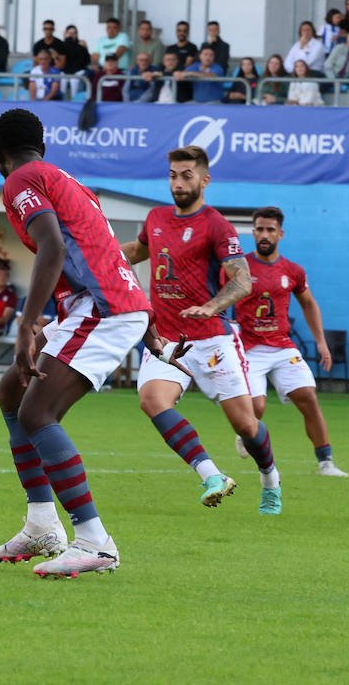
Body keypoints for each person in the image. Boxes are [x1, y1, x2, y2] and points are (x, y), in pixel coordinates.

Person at [0, 108, 177, 577]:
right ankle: (40, 525)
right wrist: (146, 318)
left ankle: (95, 540)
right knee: (11, 392)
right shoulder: (66, 180)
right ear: (43, 146)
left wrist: (27, 324)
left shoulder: (21, 178)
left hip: (101, 308)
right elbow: (105, 251)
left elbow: (52, 247)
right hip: (105, 304)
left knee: (36, 412)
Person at [121, 145, 283, 515]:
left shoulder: (216, 225)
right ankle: (211, 475)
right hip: (166, 339)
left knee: (245, 424)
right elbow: (140, 250)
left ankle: (270, 479)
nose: (178, 183)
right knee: (151, 401)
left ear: (204, 180)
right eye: (173, 175)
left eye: (186, 176)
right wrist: (100, 254)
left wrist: (209, 306)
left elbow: (242, 280)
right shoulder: (156, 217)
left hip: (212, 338)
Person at [233, 207, 348, 477]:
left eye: (270, 230)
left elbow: (308, 304)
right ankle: (246, 431)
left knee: (308, 396)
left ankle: (326, 463)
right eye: (259, 229)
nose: (264, 234)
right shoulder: (239, 268)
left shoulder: (293, 270)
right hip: (249, 348)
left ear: (280, 234)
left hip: (282, 346)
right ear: (253, 232)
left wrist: (321, 342)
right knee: (257, 406)